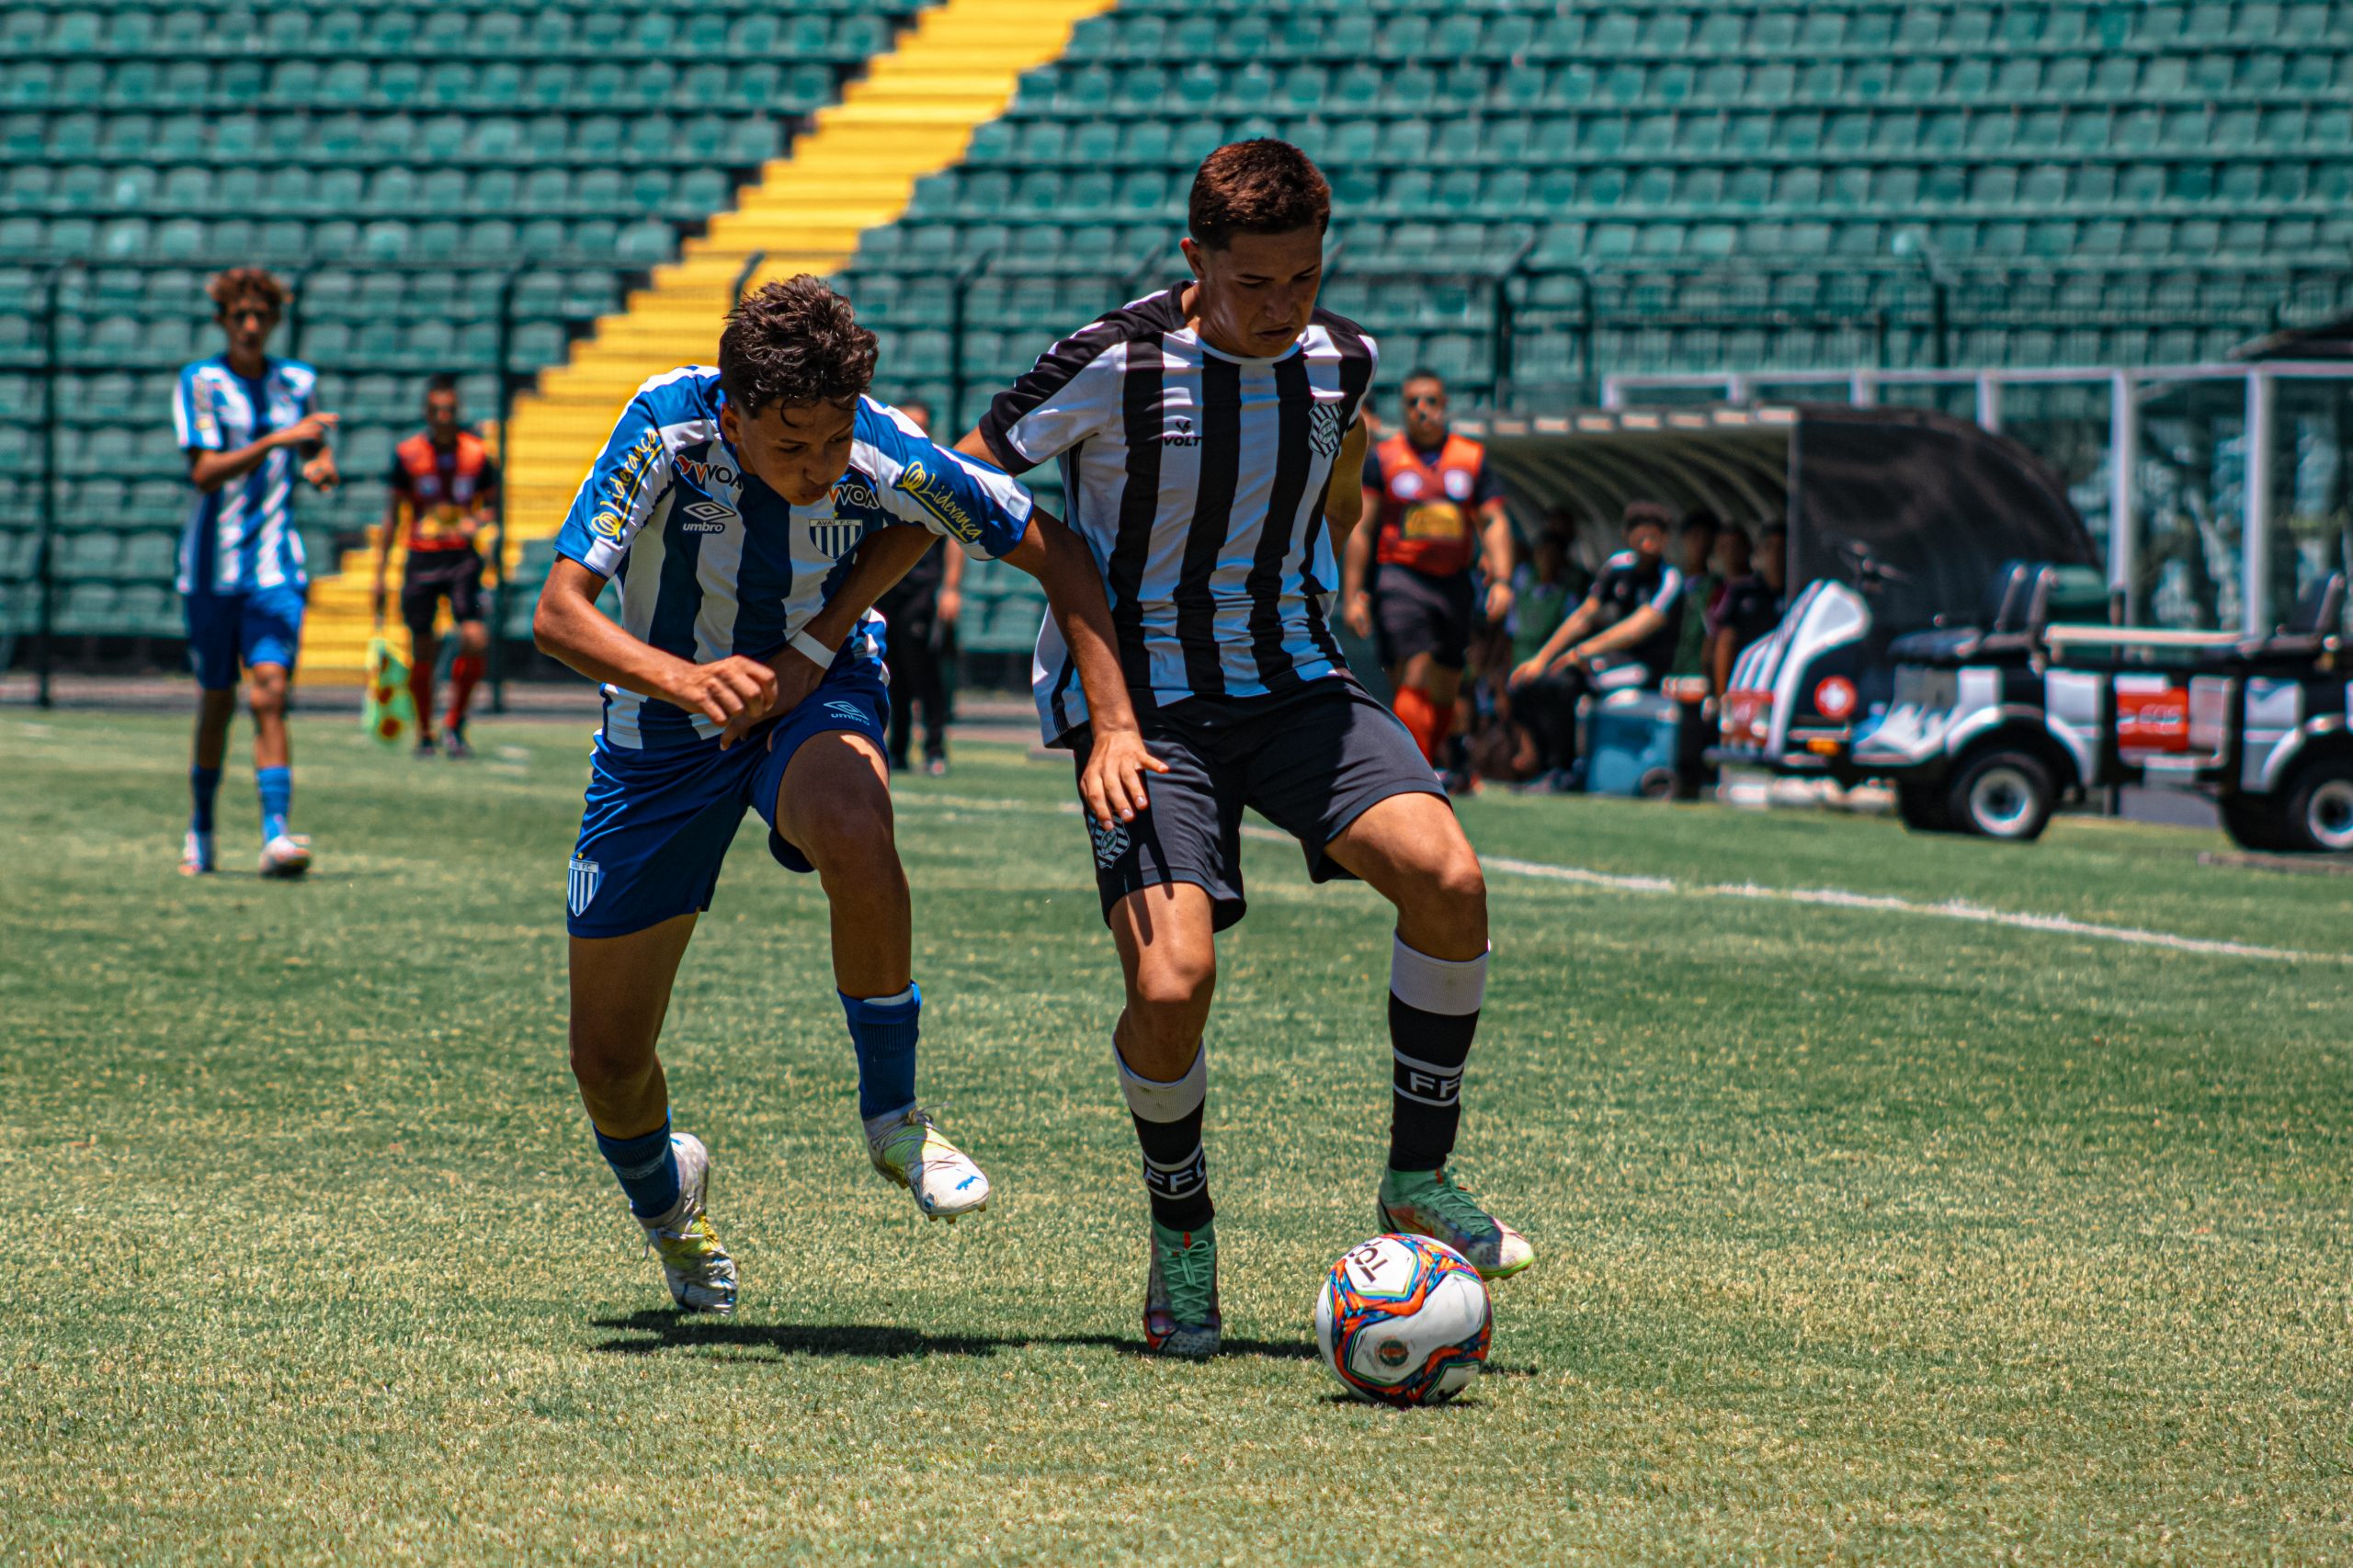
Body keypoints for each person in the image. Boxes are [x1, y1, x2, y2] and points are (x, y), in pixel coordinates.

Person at [960, 138, 1532, 1361]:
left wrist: (1341, 517)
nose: (1282, 309)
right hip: (1148, 712)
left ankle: (1416, 1180)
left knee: (1451, 878)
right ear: (1196, 262)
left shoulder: (1342, 359)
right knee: (1170, 985)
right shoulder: (1112, 359)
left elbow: (1341, 473)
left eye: (1304, 281)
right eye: (1254, 284)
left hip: (1294, 684)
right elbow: (974, 486)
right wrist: (1091, 674)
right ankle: (1182, 1230)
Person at [532, 278, 1154, 1315]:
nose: (818, 470)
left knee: (857, 824)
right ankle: (670, 1207)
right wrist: (687, 680)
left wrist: (1115, 721)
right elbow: (557, 614)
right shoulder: (663, 424)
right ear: (731, 415)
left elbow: (1059, 557)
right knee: (605, 1058)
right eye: (789, 447)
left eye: (830, 442)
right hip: (660, 733)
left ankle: (895, 1118)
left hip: (813, 698)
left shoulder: (883, 447)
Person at [173, 267, 338, 878]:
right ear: (222, 320)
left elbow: (314, 446)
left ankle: (275, 834)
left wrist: (320, 466)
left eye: (260, 316)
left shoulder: (298, 382)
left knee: (270, 693)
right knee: (217, 700)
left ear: (274, 321)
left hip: (275, 567)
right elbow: (205, 472)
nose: (250, 326)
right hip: (210, 572)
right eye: (239, 315)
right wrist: (278, 441)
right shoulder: (201, 382)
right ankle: (203, 825)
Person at [1338, 369, 1514, 776]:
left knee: (1447, 681)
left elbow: (1493, 521)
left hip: (1454, 581)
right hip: (1401, 577)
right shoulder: (1383, 458)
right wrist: (1353, 594)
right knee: (1414, 665)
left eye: (1430, 401)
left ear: (1444, 405)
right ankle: (1414, 771)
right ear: (1404, 408)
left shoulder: (1470, 458)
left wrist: (1502, 580)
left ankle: (1429, 760)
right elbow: (1362, 527)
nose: (1422, 410)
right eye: (1413, 402)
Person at [1506, 501, 1684, 785]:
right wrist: (1542, 659)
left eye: (1656, 533)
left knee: (1566, 685)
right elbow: (1585, 615)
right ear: (1627, 534)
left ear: (1665, 539)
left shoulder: (1670, 579)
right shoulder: (1618, 565)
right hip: (1608, 660)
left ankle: (1565, 769)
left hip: (1645, 669)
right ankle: (1540, 760)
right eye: (1641, 531)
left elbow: (1637, 627)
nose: (1648, 539)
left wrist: (1583, 651)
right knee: (1526, 685)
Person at [372, 373, 498, 758]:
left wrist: (474, 522)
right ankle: (424, 731)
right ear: (427, 412)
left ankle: (454, 724)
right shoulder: (408, 453)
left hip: (461, 556)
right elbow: (394, 515)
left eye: (450, 410)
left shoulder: (477, 453)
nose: (444, 416)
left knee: (475, 637)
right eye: (437, 410)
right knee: (422, 646)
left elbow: (493, 506)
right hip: (422, 559)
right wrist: (379, 574)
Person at [871, 397, 962, 775]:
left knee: (925, 671)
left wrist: (951, 587)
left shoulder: (939, 471)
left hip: (924, 587)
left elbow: (956, 535)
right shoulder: (880, 468)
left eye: (920, 425)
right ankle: (897, 749)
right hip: (886, 586)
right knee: (893, 672)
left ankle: (935, 748)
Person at [1709, 522, 1789, 694]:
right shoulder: (1741, 593)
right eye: (1770, 548)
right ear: (1759, 552)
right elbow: (1725, 642)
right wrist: (1723, 696)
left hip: (1785, 683)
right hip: (1747, 684)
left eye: (1782, 548)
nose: (1776, 555)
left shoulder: (1800, 595)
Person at [1662, 511, 1722, 685]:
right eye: (1694, 537)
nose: (1700, 544)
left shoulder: (1716, 587)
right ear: (1683, 539)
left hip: (1695, 675)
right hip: (1665, 671)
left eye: (1706, 538)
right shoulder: (1669, 581)